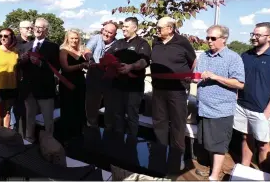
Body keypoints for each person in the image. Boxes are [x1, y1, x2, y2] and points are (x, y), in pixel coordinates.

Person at [194, 25, 245, 181]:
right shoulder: (204, 56)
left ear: (224, 39)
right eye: (207, 37)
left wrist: (216, 77)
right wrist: (194, 77)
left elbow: (239, 83)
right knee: (208, 142)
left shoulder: (233, 58)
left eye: (213, 38)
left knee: (218, 145)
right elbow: (198, 75)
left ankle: (214, 176)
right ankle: (212, 169)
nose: (209, 41)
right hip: (203, 108)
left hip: (220, 110)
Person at [150, 17, 196, 173]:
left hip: (177, 90)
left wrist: (185, 78)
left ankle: (177, 158)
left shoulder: (182, 42)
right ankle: (160, 154)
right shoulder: (155, 42)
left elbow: (193, 61)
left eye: (159, 28)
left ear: (170, 29)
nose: (157, 30)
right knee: (159, 123)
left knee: (177, 124)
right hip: (158, 89)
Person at [234, 22, 270, 173]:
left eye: (258, 35)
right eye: (253, 34)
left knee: (264, 144)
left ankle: (265, 174)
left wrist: (268, 111)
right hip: (243, 106)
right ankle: (244, 171)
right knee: (246, 138)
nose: (253, 37)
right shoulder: (246, 55)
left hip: (262, 110)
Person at [105, 17, 151, 137]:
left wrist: (131, 67)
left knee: (132, 117)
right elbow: (107, 56)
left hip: (134, 89)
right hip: (117, 86)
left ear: (134, 28)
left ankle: (131, 145)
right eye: (123, 26)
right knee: (118, 115)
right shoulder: (118, 43)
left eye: (126, 26)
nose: (123, 28)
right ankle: (119, 143)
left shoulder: (142, 43)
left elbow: (144, 61)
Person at [18, 17, 60, 143]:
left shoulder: (53, 46)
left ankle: (49, 143)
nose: (36, 29)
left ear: (46, 30)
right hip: (29, 89)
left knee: (48, 119)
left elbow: (56, 67)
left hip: (45, 89)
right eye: (35, 26)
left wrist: (40, 64)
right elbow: (20, 67)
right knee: (29, 117)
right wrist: (22, 61)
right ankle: (29, 141)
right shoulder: (27, 46)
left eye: (40, 27)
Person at [84, 22, 117, 128]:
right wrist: (90, 59)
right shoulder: (96, 38)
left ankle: (109, 130)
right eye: (105, 31)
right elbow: (87, 50)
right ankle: (91, 127)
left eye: (110, 33)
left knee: (110, 106)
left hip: (109, 79)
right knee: (92, 105)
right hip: (94, 76)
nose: (106, 34)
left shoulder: (117, 44)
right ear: (102, 30)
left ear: (115, 34)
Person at [59, 30, 89, 140]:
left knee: (79, 108)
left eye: (76, 38)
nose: (74, 40)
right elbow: (65, 68)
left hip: (80, 82)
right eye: (72, 38)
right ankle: (67, 136)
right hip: (68, 83)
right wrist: (81, 65)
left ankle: (78, 134)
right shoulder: (63, 51)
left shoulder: (80, 51)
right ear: (67, 38)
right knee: (68, 109)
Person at [11, 20, 34, 136]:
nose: (30, 30)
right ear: (20, 30)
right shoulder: (14, 43)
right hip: (18, 82)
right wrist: (20, 60)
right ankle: (17, 137)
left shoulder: (35, 43)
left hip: (32, 82)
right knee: (18, 112)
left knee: (29, 113)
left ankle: (28, 138)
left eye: (31, 28)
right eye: (27, 28)